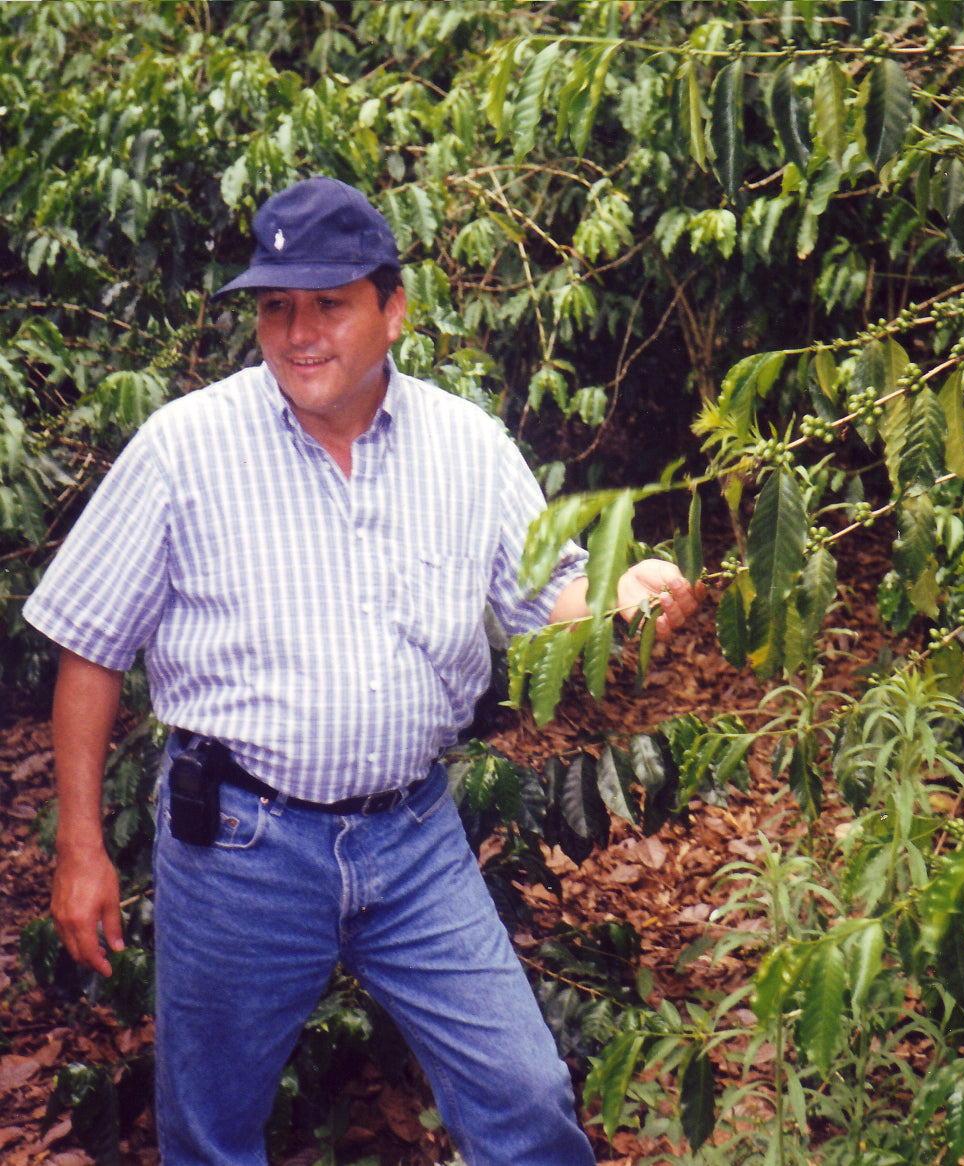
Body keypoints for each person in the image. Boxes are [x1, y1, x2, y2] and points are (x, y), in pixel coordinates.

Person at [24, 176, 702, 1166]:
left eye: (328, 304)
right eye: (274, 308)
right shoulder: (184, 449)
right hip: (240, 844)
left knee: (525, 1096)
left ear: (393, 310)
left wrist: (626, 600)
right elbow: (90, 643)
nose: (299, 333)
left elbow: (545, 599)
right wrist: (80, 846)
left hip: (414, 837)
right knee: (211, 1131)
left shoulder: (465, 446)